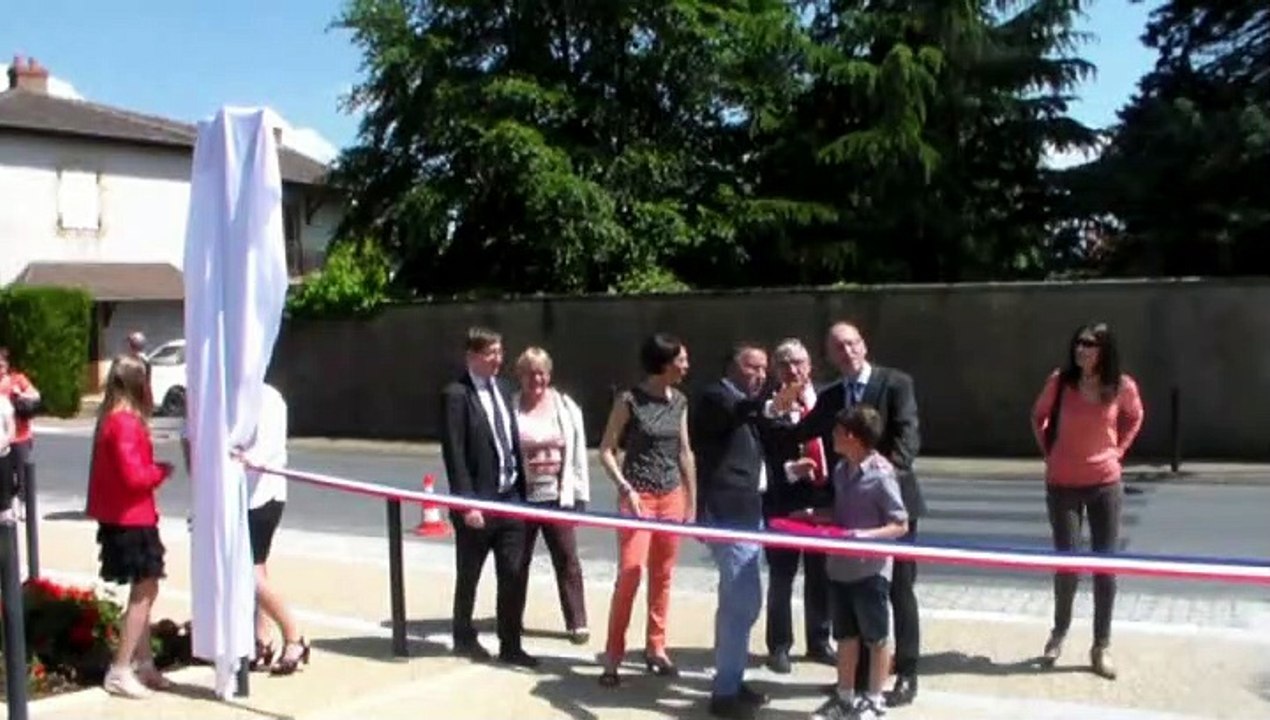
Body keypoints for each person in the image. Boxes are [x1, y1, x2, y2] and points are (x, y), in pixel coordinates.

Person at [769, 322, 924, 707]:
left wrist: (876, 474)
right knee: (854, 591)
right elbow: (800, 432)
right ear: (831, 355)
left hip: (891, 503)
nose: (847, 351)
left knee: (899, 590)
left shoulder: (895, 383)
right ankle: (854, 680)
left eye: (852, 343)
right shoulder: (833, 395)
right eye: (838, 347)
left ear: (863, 345)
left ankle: (905, 673)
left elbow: (908, 438)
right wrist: (773, 414)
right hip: (849, 510)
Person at [1031, 322, 1143, 680]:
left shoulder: (1121, 386)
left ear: (1103, 350)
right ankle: (1058, 632)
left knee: (1104, 567)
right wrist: (1050, 453)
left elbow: (1135, 417)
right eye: (1078, 343)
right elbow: (1038, 417)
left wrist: (1119, 450)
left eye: (1089, 344)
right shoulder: (1060, 382)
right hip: (1063, 483)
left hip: (1104, 484)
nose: (1081, 349)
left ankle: (1101, 645)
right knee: (1067, 564)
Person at [692, 343, 799, 719]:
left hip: (750, 510)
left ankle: (731, 680)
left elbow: (768, 437)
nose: (760, 375)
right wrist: (771, 405)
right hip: (727, 511)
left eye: (763, 369)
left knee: (737, 603)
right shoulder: (716, 396)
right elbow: (736, 412)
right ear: (733, 367)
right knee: (743, 601)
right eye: (753, 368)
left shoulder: (751, 405)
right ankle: (724, 695)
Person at [597, 333, 696, 687]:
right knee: (630, 572)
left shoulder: (680, 400)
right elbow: (607, 449)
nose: (686, 365)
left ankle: (656, 646)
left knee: (663, 573)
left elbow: (684, 451)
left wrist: (691, 501)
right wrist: (626, 488)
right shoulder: (630, 400)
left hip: (671, 495)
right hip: (637, 494)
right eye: (681, 359)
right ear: (664, 363)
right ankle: (613, 655)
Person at [438, 327, 536, 667]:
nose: (498, 359)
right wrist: (468, 504)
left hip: (510, 498)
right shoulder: (456, 394)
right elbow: (455, 453)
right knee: (470, 573)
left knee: (513, 572)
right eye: (491, 353)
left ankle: (511, 643)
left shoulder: (504, 389)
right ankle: (463, 635)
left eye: (500, 351)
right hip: (478, 502)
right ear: (472, 356)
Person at [809, 406, 909, 720]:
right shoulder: (841, 471)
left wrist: (865, 536)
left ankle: (875, 699)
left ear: (851, 436)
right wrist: (813, 518)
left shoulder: (881, 473)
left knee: (876, 636)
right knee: (845, 636)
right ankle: (844, 696)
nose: (833, 437)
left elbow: (900, 523)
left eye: (838, 431)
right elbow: (841, 516)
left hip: (870, 570)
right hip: (840, 568)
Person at [85, 355, 174, 698]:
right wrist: (160, 472)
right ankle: (121, 668)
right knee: (145, 590)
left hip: (127, 516)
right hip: (131, 517)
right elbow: (134, 476)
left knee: (145, 589)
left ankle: (144, 663)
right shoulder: (124, 422)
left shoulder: (110, 418)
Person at [762, 338, 835, 673]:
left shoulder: (826, 396)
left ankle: (820, 640)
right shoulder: (768, 404)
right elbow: (767, 449)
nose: (793, 369)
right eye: (785, 364)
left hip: (823, 499)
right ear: (776, 370)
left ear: (810, 365)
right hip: (783, 499)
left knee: (820, 573)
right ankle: (779, 645)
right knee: (782, 575)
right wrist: (791, 470)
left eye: (799, 362)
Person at [512, 347, 590, 644]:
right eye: (530, 373)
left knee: (568, 559)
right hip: (521, 497)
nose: (536, 379)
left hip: (558, 497)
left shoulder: (567, 407)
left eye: (541, 372)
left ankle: (577, 622)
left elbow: (579, 455)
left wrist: (579, 497)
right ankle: (511, 618)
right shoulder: (511, 406)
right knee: (516, 562)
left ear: (550, 374)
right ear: (520, 376)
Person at [230, 384, 309, 675]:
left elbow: (264, 451)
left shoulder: (266, 398)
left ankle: (293, 636)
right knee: (257, 568)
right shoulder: (240, 395)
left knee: (247, 571)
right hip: (246, 494)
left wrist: (236, 457)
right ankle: (261, 638)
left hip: (262, 494)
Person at [0, 347, 40, 519]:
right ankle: (8, 503)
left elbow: (35, 396)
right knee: (6, 475)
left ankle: (23, 504)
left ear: (8, 365)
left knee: (23, 472)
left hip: (20, 434)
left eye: (1, 365)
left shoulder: (17, 379)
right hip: (2, 437)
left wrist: (20, 394)